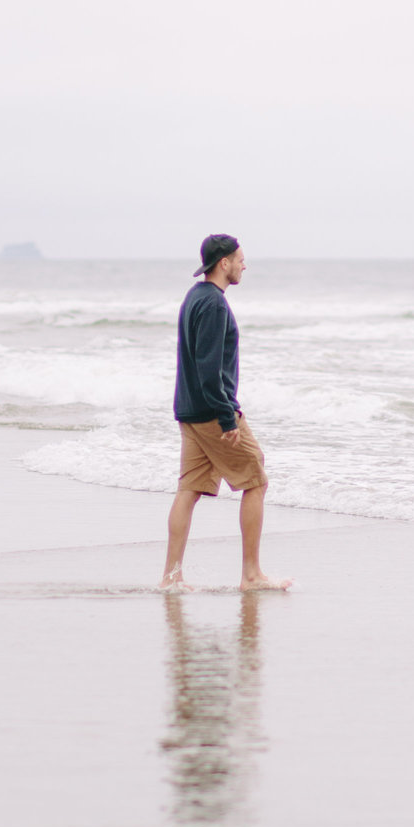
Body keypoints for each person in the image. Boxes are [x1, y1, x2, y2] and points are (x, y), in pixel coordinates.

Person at [161, 234, 290, 593]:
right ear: (224, 263)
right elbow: (208, 370)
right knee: (256, 478)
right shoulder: (215, 305)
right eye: (240, 259)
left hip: (188, 409)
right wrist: (227, 416)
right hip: (209, 412)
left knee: (189, 489)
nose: (244, 265)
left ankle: (171, 577)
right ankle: (251, 575)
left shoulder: (194, 298)